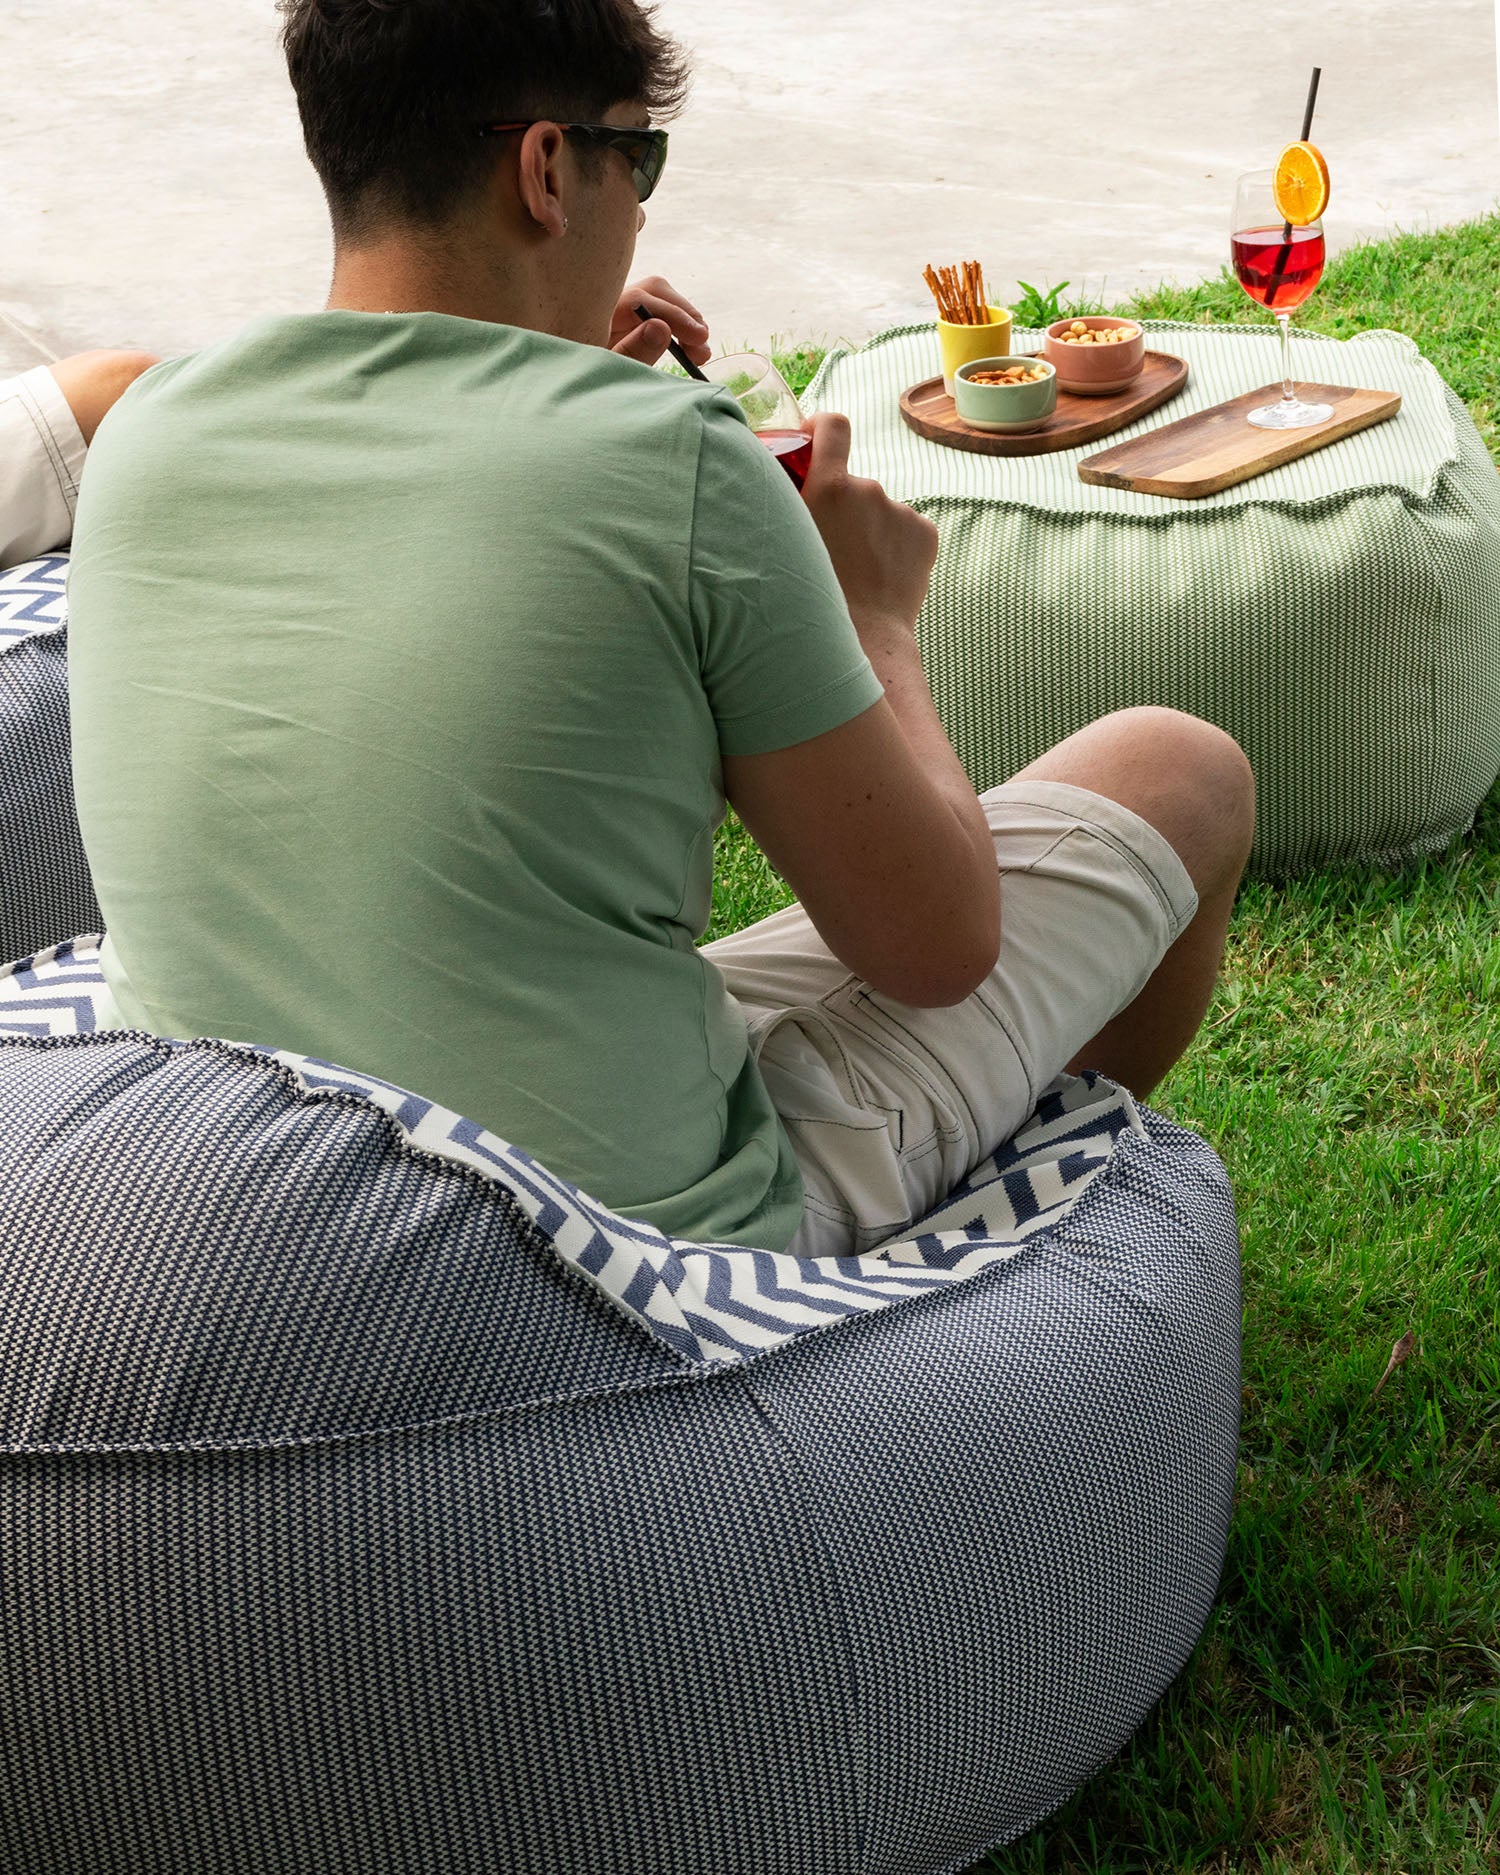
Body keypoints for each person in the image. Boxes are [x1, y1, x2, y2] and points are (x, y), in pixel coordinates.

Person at [58, 0, 1254, 1259]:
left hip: (226, 1197)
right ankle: (993, 1273)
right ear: (546, 168)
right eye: (640, 158)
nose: (639, 208)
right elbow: (938, 947)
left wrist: (551, 370)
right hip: (616, 1257)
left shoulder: (145, 432)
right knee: (1181, 770)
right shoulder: (680, 465)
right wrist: (876, 620)